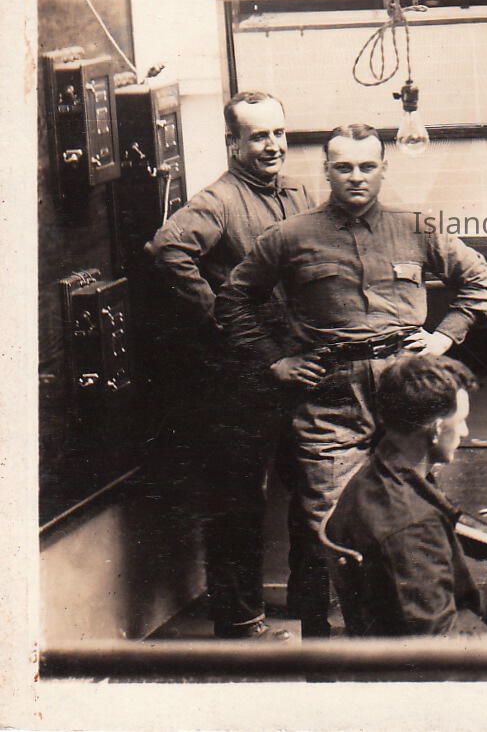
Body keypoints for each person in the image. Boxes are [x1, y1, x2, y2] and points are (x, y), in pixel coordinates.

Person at [217, 122, 487, 637]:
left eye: (367, 166)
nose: (356, 177)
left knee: (413, 506)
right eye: (343, 167)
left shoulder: (416, 227)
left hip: (404, 389)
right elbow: (233, 301)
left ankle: (417, 639)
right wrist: (275, 360)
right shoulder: (289, 237)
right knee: (328, 523)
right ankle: (327, 647)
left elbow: (478, 281)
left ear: (383, 169)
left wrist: (442, 339)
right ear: (326, 171)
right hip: (330, 395)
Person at [146, 90, 315, 640]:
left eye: (278, 133)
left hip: (296, 362)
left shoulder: (298, 193)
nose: (273, 146)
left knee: (312, 483)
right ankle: (241, 622)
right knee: (238, 500)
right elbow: (167, 249)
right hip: (241, 375)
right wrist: (218, 317)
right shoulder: (218, 200)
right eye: (258, 136)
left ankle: (309, 602)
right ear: (232, 143)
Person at [326, 355, 487, 637]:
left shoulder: (381, 471)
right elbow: (437, 645)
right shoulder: (411, 524)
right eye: (461, 421)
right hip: (435, 655)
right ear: (435, 429)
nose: (465, 432)